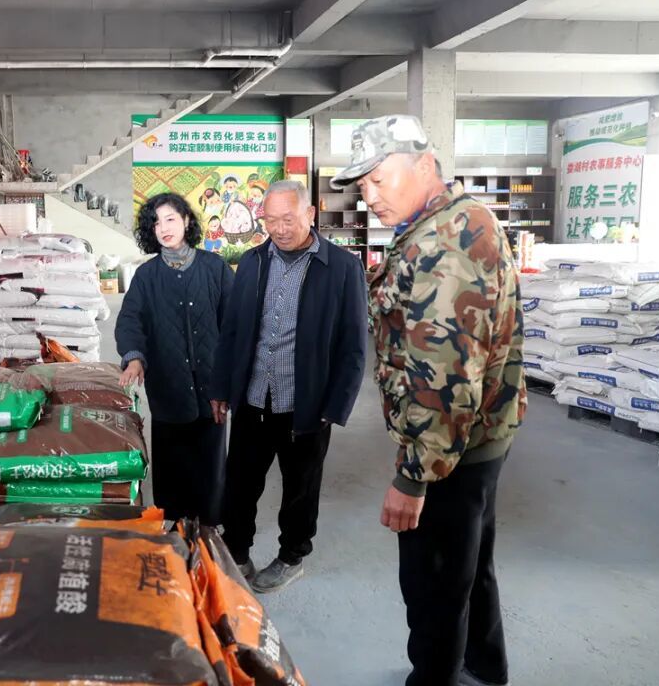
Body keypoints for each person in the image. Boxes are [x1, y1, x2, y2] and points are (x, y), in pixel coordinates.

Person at [333, 115, 526, 686]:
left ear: (423, 165)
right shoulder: (455, 219)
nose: (369, 197)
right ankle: (483, 668)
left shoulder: (443, 245)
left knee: (434, 584)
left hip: (449, 449)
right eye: (361, 185)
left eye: (378, 180)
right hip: (481, 436)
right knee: (471, 564)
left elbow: (445, 380)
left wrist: (413, 478)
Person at [210, 180, 368, 593]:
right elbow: (232, 332)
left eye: (288, 219)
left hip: (306, 402)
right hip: (254, 395)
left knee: (301, 487)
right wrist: (221, 387)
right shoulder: (252, 262)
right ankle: (237, 551)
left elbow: (353, 345)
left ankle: (291, 556)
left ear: (310, 214)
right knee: (240, 483)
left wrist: (335, 407)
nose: (279, 229)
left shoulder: (341, 268)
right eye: (271, 220)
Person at [115, 192, 235, 525]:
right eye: (155, 223)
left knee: (210, 460)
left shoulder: (214, 268)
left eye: (170, 219)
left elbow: (234, 325)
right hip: (168, 383)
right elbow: (130, 320)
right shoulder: (147, 276)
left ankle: (209, 526)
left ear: (186, 220)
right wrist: (135, 358)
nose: (164, 228)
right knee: (172, 458)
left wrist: (228, 381)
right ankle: (175, 523)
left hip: (211, 385)